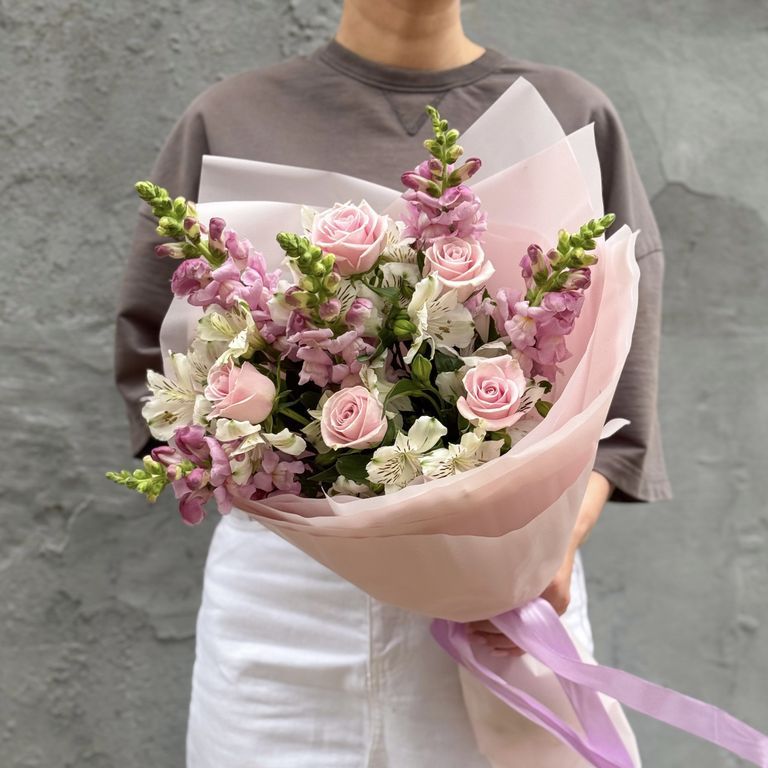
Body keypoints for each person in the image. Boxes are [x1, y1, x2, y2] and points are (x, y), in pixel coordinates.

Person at [114, 0, 671, 764]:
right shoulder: (229, 117)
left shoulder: (570, 113)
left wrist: (542, 553)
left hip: (502, 603)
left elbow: (619, 391)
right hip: (286, 605)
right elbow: (155, 359)